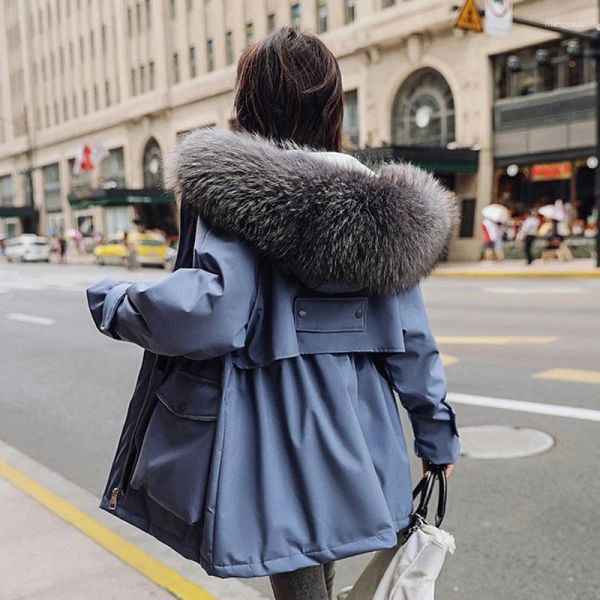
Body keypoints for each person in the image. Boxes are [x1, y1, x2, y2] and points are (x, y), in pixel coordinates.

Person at [86, 27, 459, 600]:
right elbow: (412, 338)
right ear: (333, 106)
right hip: (355, 432)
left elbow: (211, 311)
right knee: (317, 568)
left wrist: (116, 302)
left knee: (297, 569)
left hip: (265, 431)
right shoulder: (385, 210)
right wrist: (436, 436)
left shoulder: (227, 191)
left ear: (249, 104)